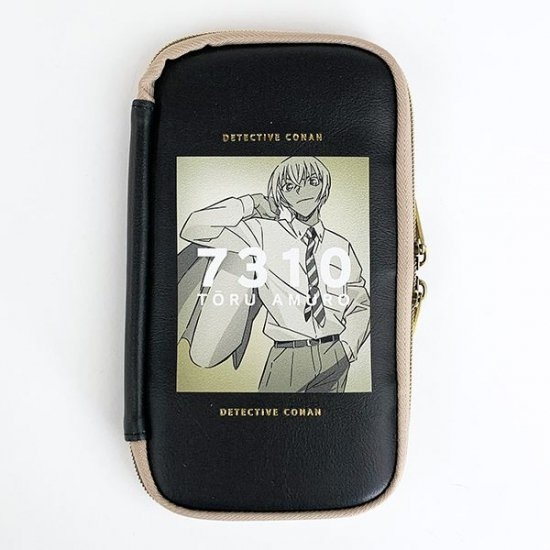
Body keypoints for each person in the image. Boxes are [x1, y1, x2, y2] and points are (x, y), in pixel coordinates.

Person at [179, 156, 370, 393]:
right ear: (280, 195)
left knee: (329, 418)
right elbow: (194, 228)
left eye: (312, 181)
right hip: (288, 354)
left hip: (335, 351)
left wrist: (348, 348)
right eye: (290, 186)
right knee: (271, 416)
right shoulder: (261, 232)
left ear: (324, 187)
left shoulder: (340, 245)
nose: (302, 192)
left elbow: (360, 301)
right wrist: (249, 204)